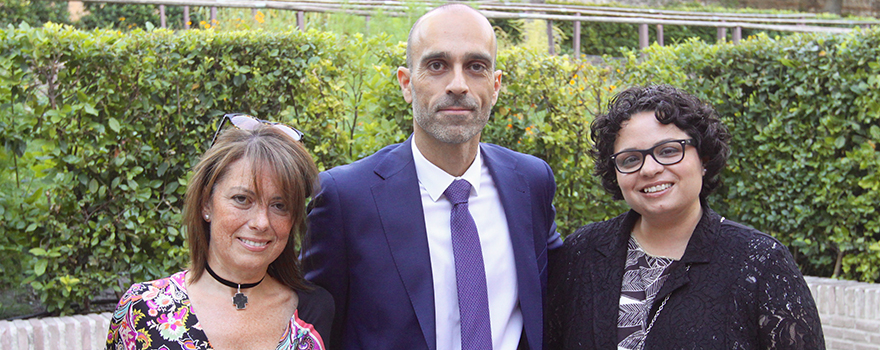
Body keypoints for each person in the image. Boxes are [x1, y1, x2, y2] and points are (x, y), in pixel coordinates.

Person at [301, 4, 561, 350]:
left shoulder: (530, 182)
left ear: (495, 86)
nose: (458, 84)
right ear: (407, 84)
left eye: (476, 66)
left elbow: (558, 294)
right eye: (437, 65)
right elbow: (316, 329)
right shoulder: (346, 198)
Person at [545, 85, 824, 349]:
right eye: (630, 159)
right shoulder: (582, 253)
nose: (650, 169)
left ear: (703, 158)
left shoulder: (759, 262)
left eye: (668, 151)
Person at [106, 114, 333, 350]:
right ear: (206, 203)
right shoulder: (143, 310)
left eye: (279, 205)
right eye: (242, 199)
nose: (262, 222)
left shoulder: (314, 314)